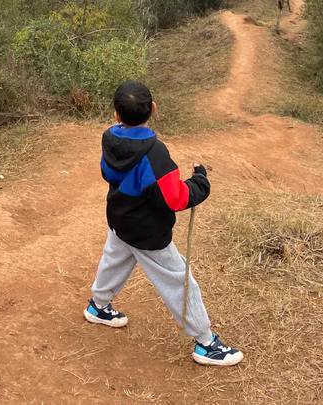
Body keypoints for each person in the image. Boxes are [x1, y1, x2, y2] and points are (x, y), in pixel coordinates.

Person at [84, 80, 244, 366]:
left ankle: (98, 306)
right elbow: (175, 198)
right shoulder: (154, 153)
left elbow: (108, 173)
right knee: (179, 280)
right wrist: (200, 182)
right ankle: (206, 344)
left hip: (120, 219)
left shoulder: (109, 139)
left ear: (116, 114)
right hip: (148, 231)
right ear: (153, 109)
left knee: (114, 258)